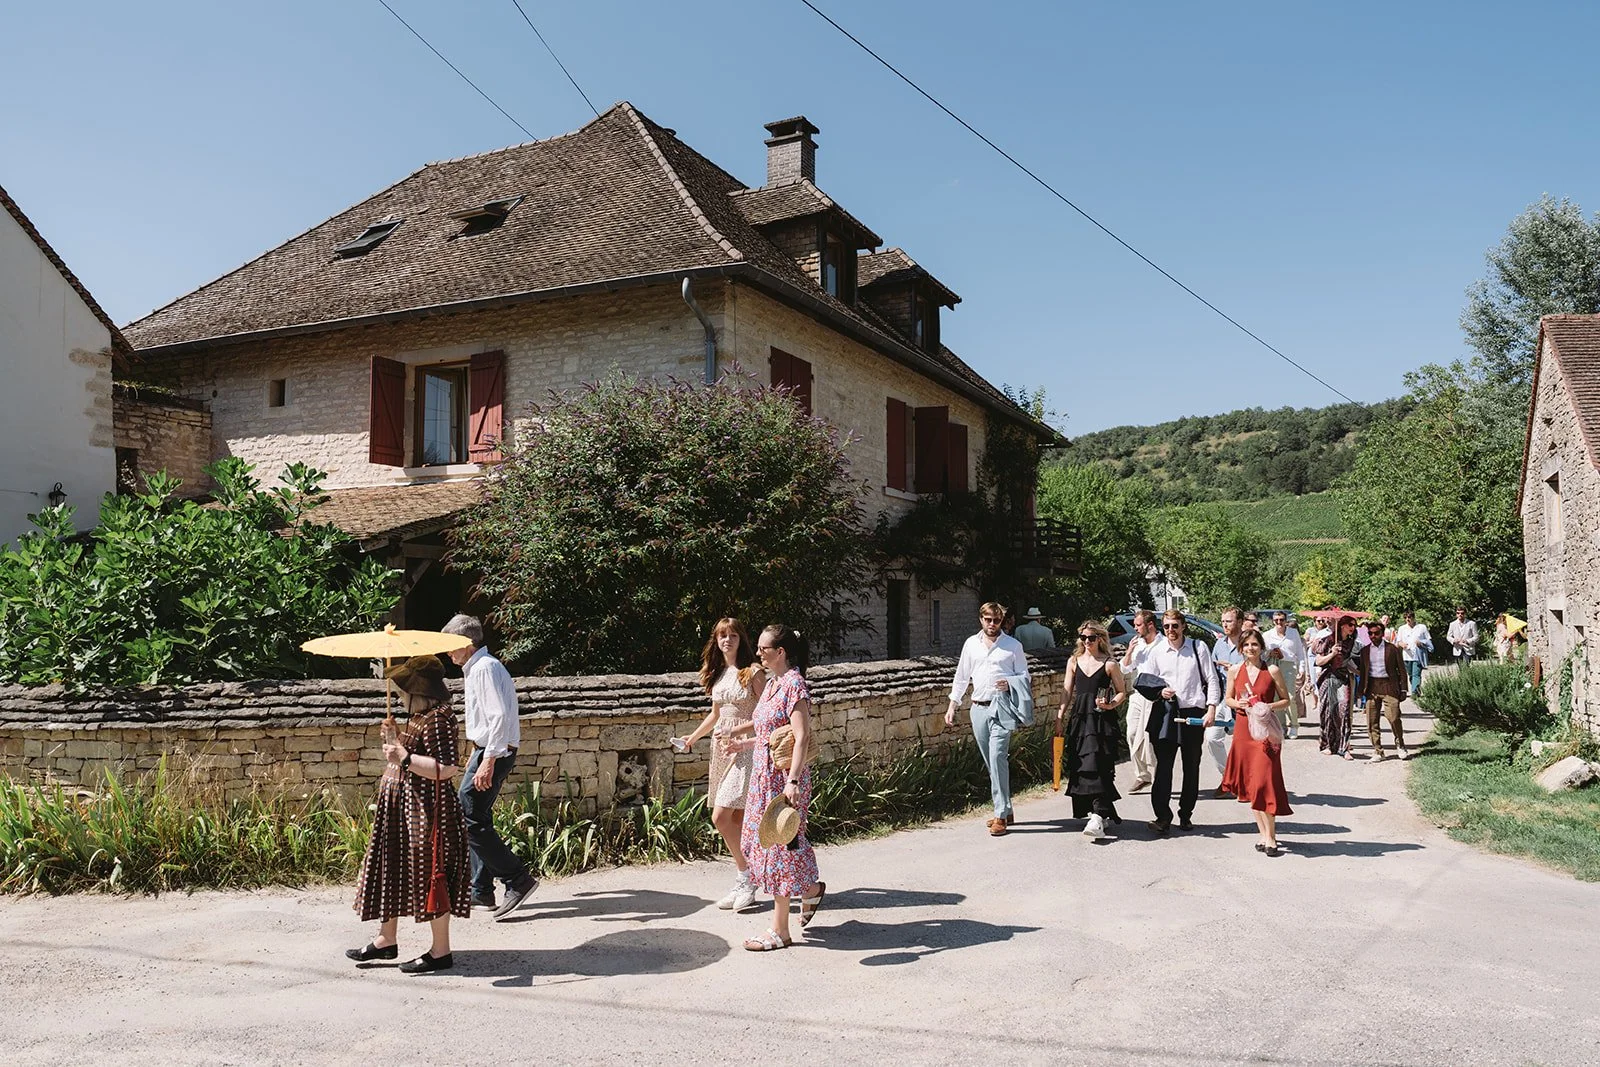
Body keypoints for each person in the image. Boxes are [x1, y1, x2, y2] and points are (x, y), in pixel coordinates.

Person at [348, 655, 470, 973]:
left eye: (404, 690)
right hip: (404, 809)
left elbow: (446, 768)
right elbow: (409, 756)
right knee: (393, 870)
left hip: (428, 813)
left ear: (420, 691)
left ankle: (440, 952)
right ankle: (386, 940)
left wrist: (402, 756)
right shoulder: (420, 716)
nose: (400, 696)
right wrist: (393, 740)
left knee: (431, 875)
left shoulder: (438, 719)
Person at [441, 615, 538, 921]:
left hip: (494, 752)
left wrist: (488, 760)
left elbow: (497, 718)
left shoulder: (483, 669)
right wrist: (478, 754)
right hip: (488, 750)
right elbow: (488, 720)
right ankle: (480, 889)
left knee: (468, 818)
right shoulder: (479, 668)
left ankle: (517, 879)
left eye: (451, 646)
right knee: (476, 816)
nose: (447, 653)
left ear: (467, 644)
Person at [736, 625, 825, 951]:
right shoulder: (772, 684)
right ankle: (811, 890)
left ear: (781, 652)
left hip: (783, 783)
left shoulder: (794, 685)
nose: (758, 653)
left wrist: (793, 781)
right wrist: (742, 744)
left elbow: (800, 737)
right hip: (763, 782)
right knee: (778, 846)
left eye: (763, 648)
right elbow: (769, 733)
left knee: (779, 851)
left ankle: (780, 931)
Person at [671, 618, 763, 912]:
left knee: (721, 817)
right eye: (723, 635)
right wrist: (693, 737)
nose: (727, 640)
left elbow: (766, 716)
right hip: (722, 748)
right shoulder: (719, 673)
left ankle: (748, 876)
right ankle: (745, 878)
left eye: (733, 635)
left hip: (746, 746)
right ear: (716, 640)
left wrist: (738, 733)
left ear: (741, 639)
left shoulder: (753, 672)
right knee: (733, 820)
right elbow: (716, 714)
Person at [946, 602, 1029, 836]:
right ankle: (1007, 807)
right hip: (978, 708)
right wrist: (953, 705)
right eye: (988, 620)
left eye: (996, 620)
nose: (992, 624)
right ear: (981, 619)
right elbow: (961, 677)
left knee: (998, 756)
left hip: (1002, 707)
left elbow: (1025, 676)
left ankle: (1000, 815)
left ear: (1003, 621)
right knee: (990, 760)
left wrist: (1010, 682)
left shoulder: (1013, 646)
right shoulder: (971, 644)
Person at [1142, 609, 1220, 833]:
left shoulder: (1198, 647)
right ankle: (1162, 817)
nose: (1170, 631)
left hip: (1193, 712)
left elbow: (1211, 678)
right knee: (1163, 767)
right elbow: (1147, 680)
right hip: (1166, 712)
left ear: (1183, 626)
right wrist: (1160, 692)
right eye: (1166, 626)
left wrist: (1211, 708)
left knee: (1191, 766)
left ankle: (1186, 814)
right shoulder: (1157, 650)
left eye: (1174, 626)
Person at [1219, 629, 1293, 855]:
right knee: (1252, 785)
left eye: (1255, 644)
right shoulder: (1234, 670)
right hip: (1243, 732)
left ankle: (1272, 837)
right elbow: (1228, 698)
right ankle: (1263, 834)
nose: (1251, 649)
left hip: (1266, 732)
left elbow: (1286, 700)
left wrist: (1267, 707)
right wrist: (1238, 705)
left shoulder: (1272, 670)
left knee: (1265, 782)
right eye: (1246, 645)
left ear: (1261, 647)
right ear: (1240, 648)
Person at [1057, 619, 1126, 839]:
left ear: (1100, 639)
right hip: (1080, 717)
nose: (1087, 642)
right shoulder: (1073, 661)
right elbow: (1067, 691)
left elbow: (1121, 692)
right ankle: (1097, 813)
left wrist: (1111, 704)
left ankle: (1098, 816)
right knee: (1081, 764)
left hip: (1102, 720)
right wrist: (1059, 715)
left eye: (1092, 638)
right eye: (1084, 638)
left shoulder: (1109, 664)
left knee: (1099, 764)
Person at [1119, 609, 1162, 791]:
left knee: (1150, 739)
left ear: (1150, 625)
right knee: (1132, 733)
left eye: (1138, 625)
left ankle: (1159, 775)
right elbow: (1124, 669)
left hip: (1156, 696)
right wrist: (1129, 651)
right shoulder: (1138, 645)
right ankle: (1142, 775)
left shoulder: (1164, 644)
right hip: (1138, 694)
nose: (1135, 628)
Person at [1207, 607, 1248, 794]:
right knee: (1212, 738)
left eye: (1229, 621)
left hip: (1244, 701)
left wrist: (1234, 669)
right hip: (1224, 699)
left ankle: (1243, 781)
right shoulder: (1219, 645)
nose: (1224, 624)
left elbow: (1258, 671)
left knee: (1242, 744)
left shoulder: (1249, 643)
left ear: (1239, 622)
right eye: (1223, 621)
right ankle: (1229, 778)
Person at [1357, 620, 1410, 761]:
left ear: (1382, 633)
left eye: (1376, 633)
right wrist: (1360, 692)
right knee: (1371, 721)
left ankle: (1400, 744)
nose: (1373, 636)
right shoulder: (1365, 651)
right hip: (1372, 687)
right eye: (1370, 633)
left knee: (1394, 717)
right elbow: (1363, 673)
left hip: (1389, 686)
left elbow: (1402, 670)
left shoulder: (1392, 649)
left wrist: (1403, 689)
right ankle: (1378, 750)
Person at [1312, 615, 1359, 759]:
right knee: (1327, 711)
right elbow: (1319, 661)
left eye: (1354, 625)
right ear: (1342, 625)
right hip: (1328, 678)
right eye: (1350, 624)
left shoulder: (1351, 642)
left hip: (1343, 678)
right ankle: (1327, 744)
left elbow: (1348, 662)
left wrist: (1360, 672)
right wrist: (1332, 654)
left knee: (1343, 710)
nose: (1353, 627)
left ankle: (1344, 747)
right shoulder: (1327, 640)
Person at [1262, 611, 1307, 740]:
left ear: (1285, 621)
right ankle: (1281, 726)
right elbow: (1263, 654)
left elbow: (1299, 651)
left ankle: (1294, 725)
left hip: (1289, 666)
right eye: (1276, 620)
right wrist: (1270, 653)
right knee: (1276, 698)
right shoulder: (1267, 635)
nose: (1279, 623)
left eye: (1281, 620)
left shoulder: (1293, 633)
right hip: (1273, 665)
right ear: (1273, 621)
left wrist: (1302, 668)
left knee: (1291, 696)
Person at [1394, 611, 1432, 693]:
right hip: (1406, 656)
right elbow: (1398, 641)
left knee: (1416, 674)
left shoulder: (1422, 627)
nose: (1408, 619)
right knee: (1411, 674)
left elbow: (1428, 640)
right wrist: (1402, 644)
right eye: (1406, 617)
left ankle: (1415, 692)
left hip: (1418, 655)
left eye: (1409, 617)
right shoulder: (1402, 628)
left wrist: (1421, 643)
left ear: (1413, 618)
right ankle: (1416, 689)